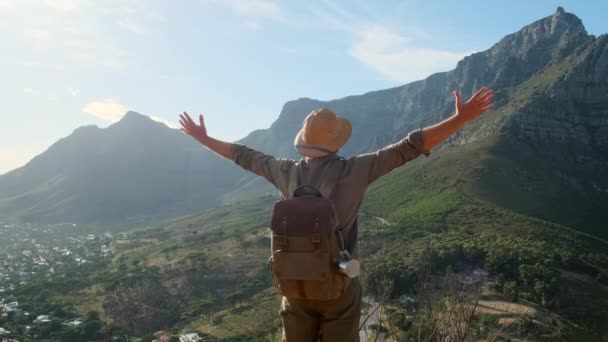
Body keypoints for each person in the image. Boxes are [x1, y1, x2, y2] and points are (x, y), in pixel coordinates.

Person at [178, 87, 494, 341]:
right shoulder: (356, 170)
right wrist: (459, 120)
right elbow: (410, 146)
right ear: (335, 140)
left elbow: (242, 155)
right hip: (338, 286)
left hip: (293, 284)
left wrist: (203, 138)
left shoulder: (283, 171)